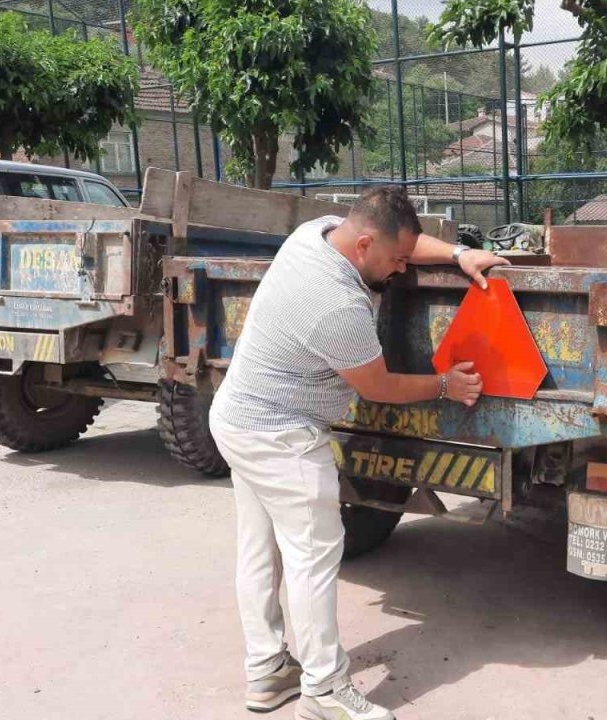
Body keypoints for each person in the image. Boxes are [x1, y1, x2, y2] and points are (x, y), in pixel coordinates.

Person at [208, 186, 508, 720]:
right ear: (365, 244)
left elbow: (403, 244)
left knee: (261, 551)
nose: (400, 271)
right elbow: (379, 387)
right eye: (395, 262)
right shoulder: (337, 302)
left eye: (404, 259)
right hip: (281, 435)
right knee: (313, 559)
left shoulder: (316, 234)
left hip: (237, 415)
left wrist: (459, 254)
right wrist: (444, 386)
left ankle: (268, 672)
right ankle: (324, 692)